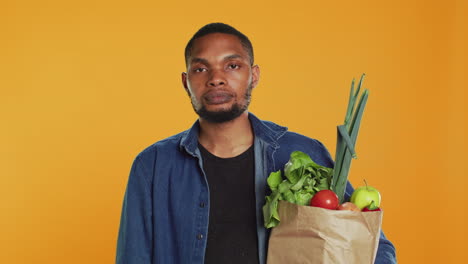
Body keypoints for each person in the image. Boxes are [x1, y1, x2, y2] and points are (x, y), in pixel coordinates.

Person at [116, 22, 397, 264]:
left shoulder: (303, 156)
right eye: (201, 69)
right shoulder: (152, 166)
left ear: (254, 75)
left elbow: (376, 248)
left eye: (232, 65)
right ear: (185, 81)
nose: (216, 79)